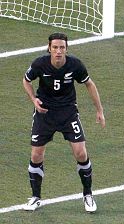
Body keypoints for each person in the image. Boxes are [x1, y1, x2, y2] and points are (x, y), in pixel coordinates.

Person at [21, 33, 105, 212]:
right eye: (55, 47)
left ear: (66, 48)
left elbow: (89, 84)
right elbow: (26, 80)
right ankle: (36, 197)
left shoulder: (75, 65)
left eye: (62, 47)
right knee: (36, 155)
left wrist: (99, 110)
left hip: (68, 113)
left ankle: (88, 194)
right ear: (49, 48)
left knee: (81, 153)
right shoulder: (39, 64)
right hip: (45, 113)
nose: (58, 51)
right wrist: (34, 99)